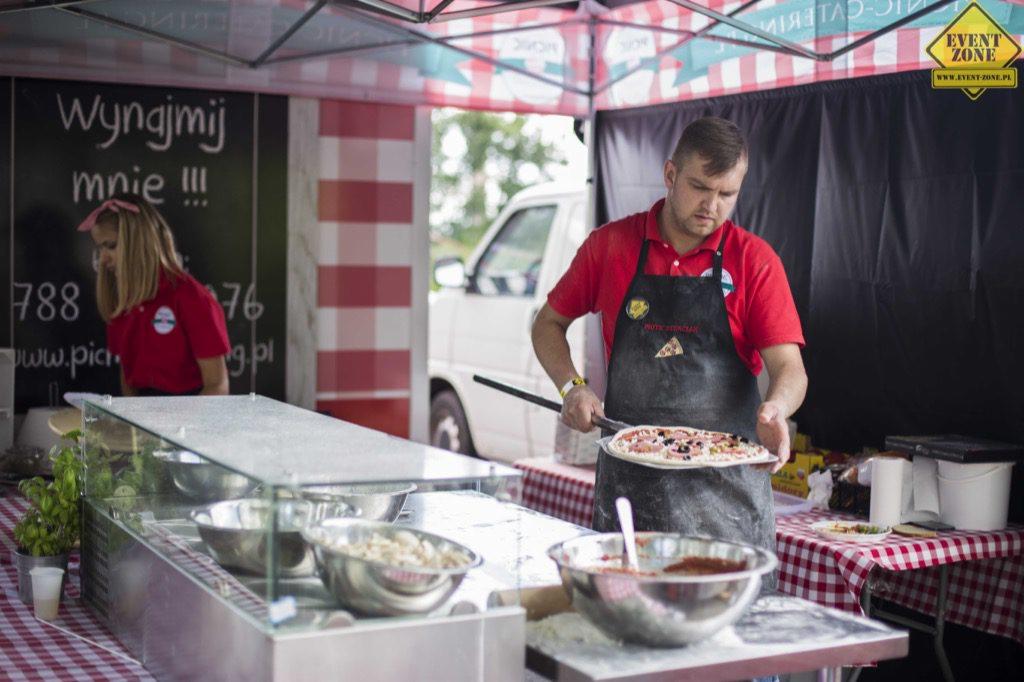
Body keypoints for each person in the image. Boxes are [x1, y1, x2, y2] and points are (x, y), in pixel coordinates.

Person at [531, 117, 807, 578]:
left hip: (727, 508)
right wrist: (572, 387)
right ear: (670, 175)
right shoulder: (611, 247)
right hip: (631, 501)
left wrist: (776, 408)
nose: (712, 206)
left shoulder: (754, 261)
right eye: (701, 187)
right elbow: (547, 325)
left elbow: (790, 368)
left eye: (727, 194)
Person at [78, 194, 231, 396]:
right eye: (100, 248)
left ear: (138, 242)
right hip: (142, 414)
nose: (103, 259)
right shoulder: (121, 301)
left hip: (191, 413)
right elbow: (128, 376)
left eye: (111, 246)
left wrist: (184, 427)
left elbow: (217, 385)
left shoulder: (191, 298)